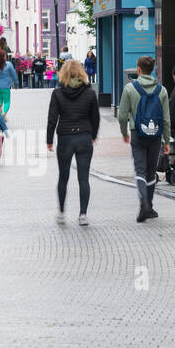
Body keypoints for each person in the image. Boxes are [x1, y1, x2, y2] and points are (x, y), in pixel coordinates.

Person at [116, 55, 170, 222]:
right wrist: (167, 141)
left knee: (140, 170)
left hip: (137, 134)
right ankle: (150, 206)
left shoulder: (130, 89)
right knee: (151, 170)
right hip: (155, 136)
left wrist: (124, 133)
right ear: (152, 69)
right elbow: (167, 118)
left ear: (138, 69)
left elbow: (122, 115)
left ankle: (143, 205)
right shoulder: (162, 90)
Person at [46, 58, 100, 226]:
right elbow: (95, 117)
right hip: (84, 137)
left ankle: (62, 213)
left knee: (63, 177)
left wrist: (49, 140)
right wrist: (93, 135)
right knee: (83, 178)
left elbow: (52, 119)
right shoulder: (90, 93)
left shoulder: (57, 93)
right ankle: (83, 215)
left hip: (65, 138)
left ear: (64, 74)